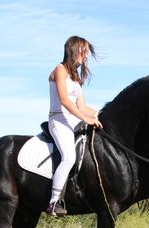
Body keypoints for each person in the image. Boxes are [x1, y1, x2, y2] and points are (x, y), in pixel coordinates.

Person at [47, 35, 103, 217]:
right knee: (69, 157)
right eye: (84, 52)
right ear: (74, 50)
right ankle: (54, 201)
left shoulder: (75, 77)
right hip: (59, 120)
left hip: (73, 120)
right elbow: (64, 100)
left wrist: (101, 115)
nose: (86, 56)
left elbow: (83, 107)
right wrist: (86, 119)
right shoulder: (60, 70)